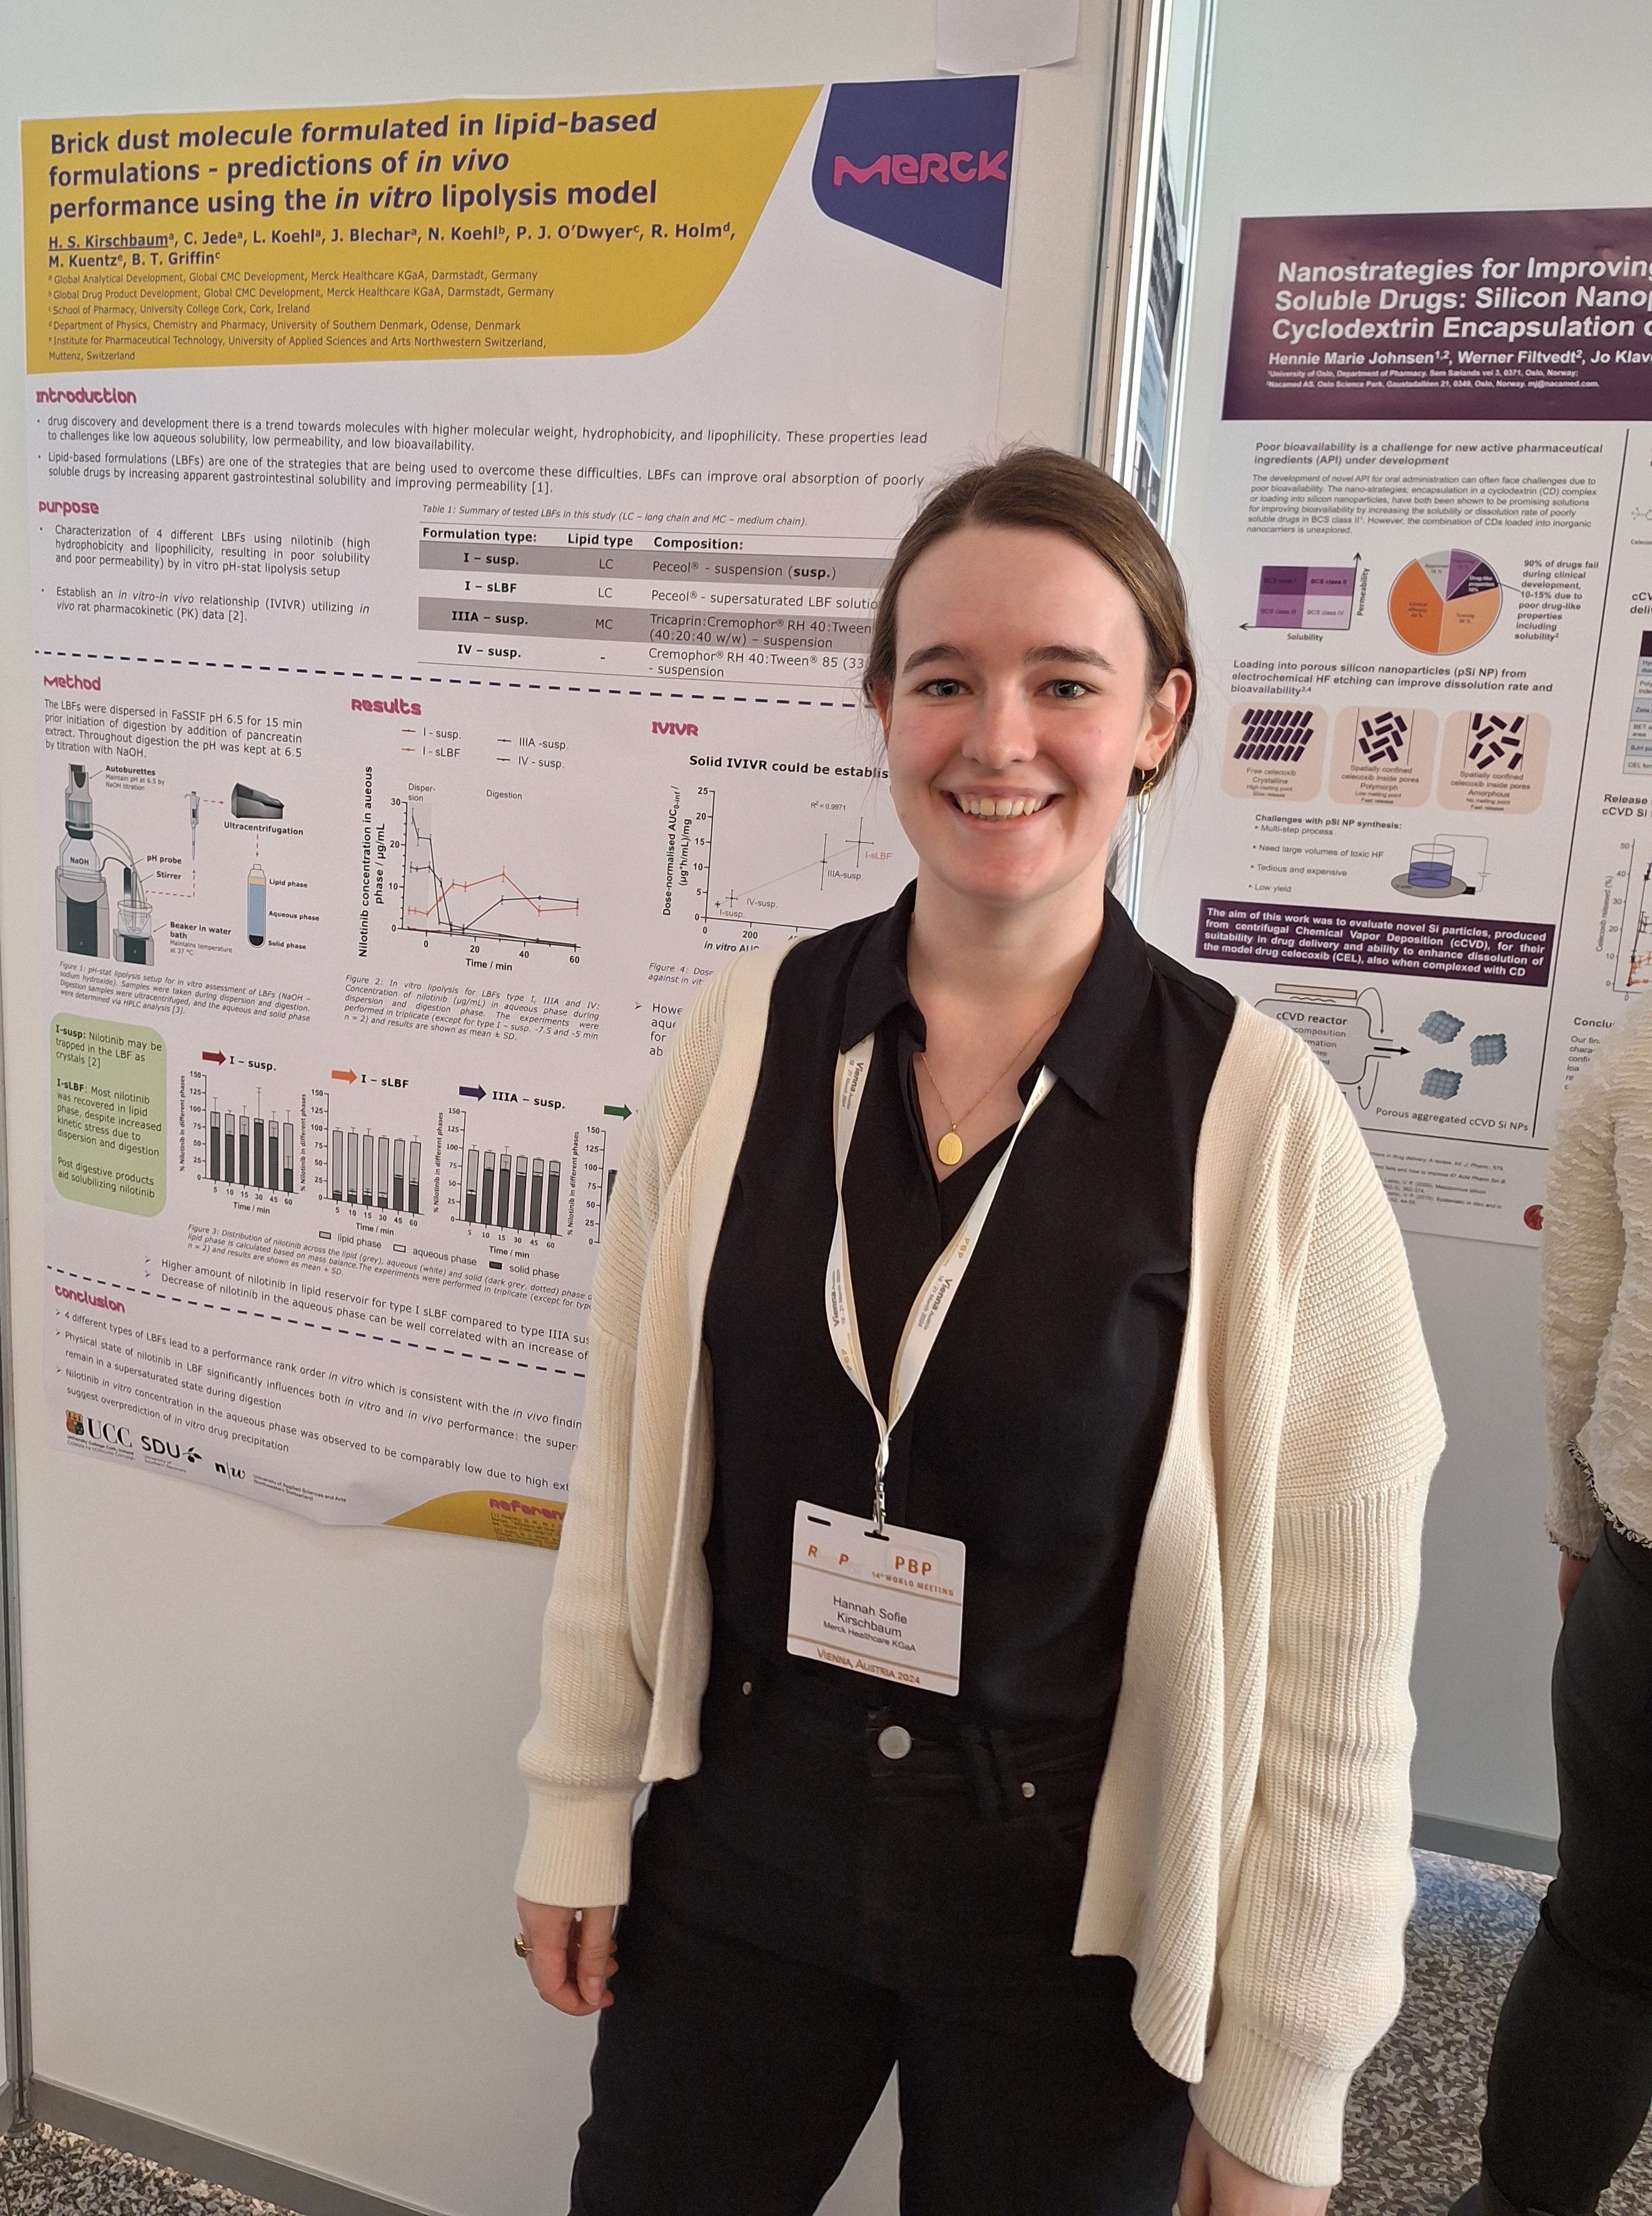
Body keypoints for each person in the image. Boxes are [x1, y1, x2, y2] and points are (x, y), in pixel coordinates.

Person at [514, 446, 1445, 2215]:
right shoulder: (745, 1037)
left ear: (1158, 719)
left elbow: (1333, 1678)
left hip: (1072, 1914)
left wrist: (1283, 2090)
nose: (996, 739)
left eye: (1065, 684)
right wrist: (575, 1803)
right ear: (882, 706)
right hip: (744, 1845)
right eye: (944, 680)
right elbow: (623, 1456)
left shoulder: (1259, 1125)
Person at [1449, 1013, 1652, 2216]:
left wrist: (1578, 1530)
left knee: (1606, 1947)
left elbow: (1581, 1328)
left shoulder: (1636, 1057)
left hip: (1647, 1576)